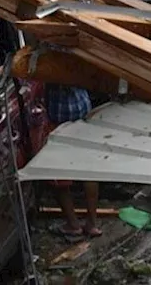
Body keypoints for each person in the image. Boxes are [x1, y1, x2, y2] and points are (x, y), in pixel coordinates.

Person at [45, 80, 100, 239]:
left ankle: (73, 224)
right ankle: (92, 223)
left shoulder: (50, 58)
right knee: (89, 170)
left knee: (58, 175)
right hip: (82, 109)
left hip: (60, 116)